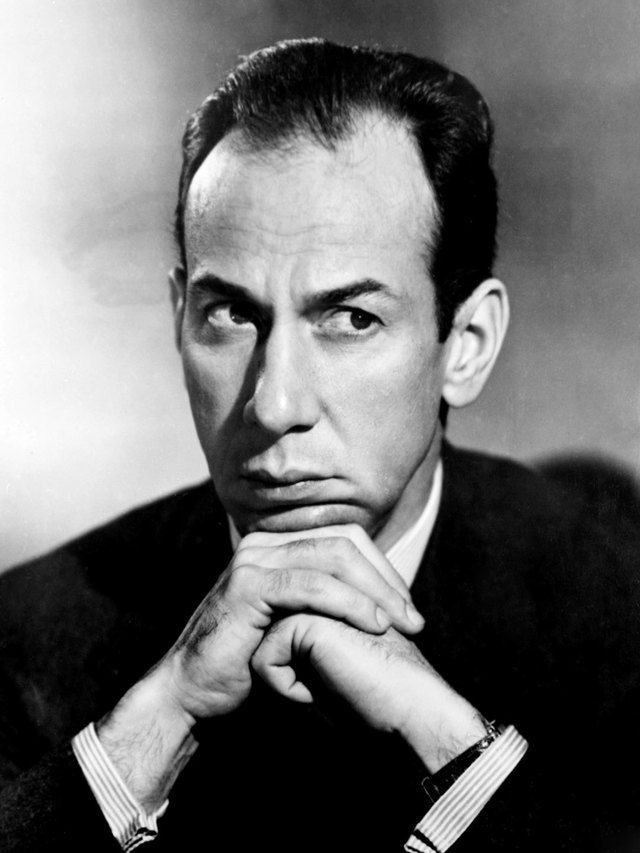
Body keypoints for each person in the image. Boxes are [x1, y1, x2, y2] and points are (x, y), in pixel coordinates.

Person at [0, 38, 638, 853]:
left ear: (466, 344)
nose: (275, 403)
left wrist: (455, 748)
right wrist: (157, 720)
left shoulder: (615, 611)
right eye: (231, 314)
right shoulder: (27, 637)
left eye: (351, 318)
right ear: (179, 317)